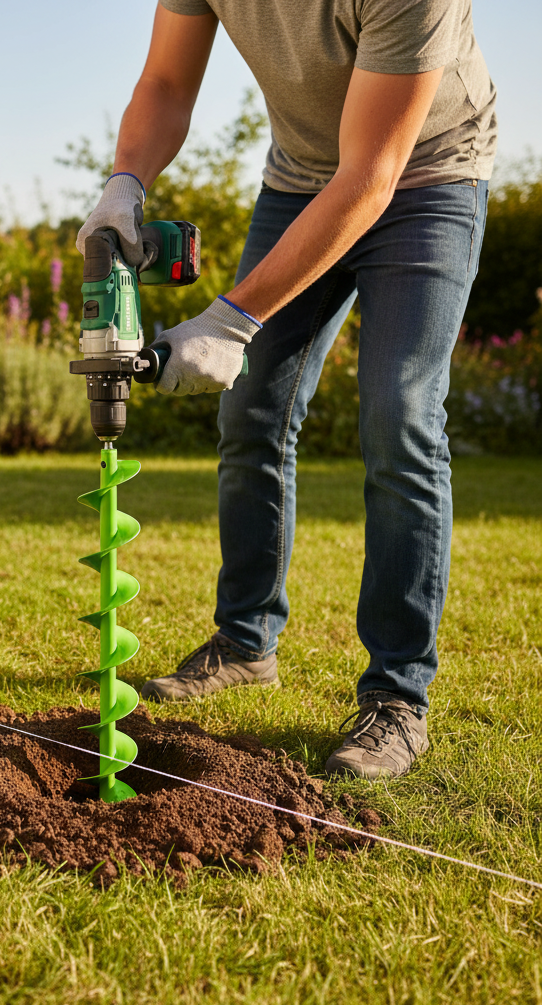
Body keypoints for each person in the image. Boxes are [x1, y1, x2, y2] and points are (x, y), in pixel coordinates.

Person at [76, 0, 496, 779]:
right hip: (300, 180)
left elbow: (371, 175)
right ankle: (246, 641)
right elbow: (166, 82)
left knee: (400, 413)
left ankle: (397, 696)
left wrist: (230, 320)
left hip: (427, 177)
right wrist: (124, 181)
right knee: (252, 411)